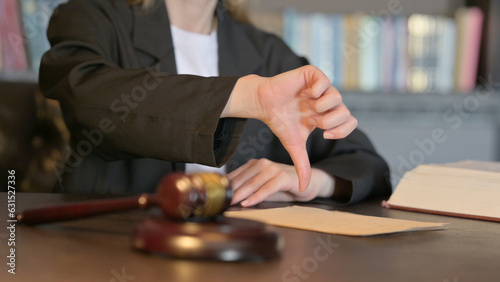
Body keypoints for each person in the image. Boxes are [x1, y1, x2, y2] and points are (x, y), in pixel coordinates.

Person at [40, 0, 391, 207]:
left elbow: (367, 165)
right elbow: (88, 99)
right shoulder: (91, 17)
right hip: (110, 243)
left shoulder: (268, 52)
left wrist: (310, 182)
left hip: (241, 252)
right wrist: (246, 97)